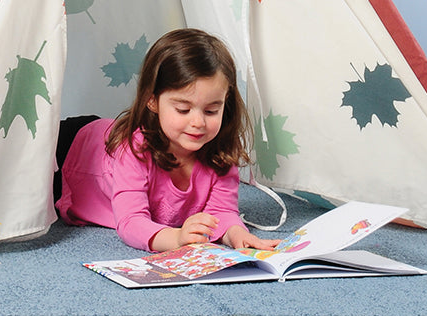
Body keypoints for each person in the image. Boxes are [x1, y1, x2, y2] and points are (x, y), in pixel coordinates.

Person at [55, 28, 280, 253]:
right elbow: (131, 221)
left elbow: (222, 213)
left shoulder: (220, 153)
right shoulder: (135, 150)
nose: (198, 122)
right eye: (183, 109)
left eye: (211, 111)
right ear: (152, 101)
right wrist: (175, 238)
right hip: (72, 151)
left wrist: (238, 234)